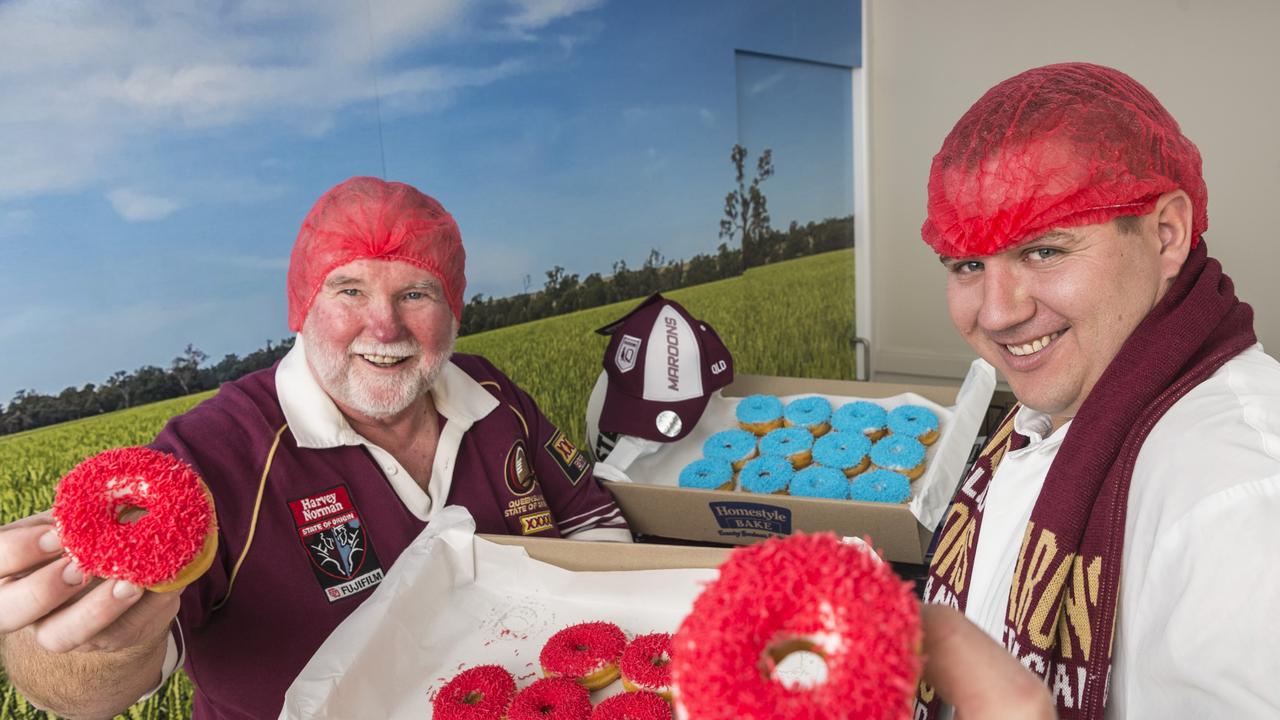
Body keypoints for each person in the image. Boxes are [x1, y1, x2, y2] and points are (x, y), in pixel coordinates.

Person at [0, 177, 632, 719]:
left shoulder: (493, 395)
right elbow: (94, 684)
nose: (384, 326)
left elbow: (593, 523)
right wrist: (79, 645)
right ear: (303, 304)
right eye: (349, 290)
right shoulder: (213, 456)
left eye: (416, 293)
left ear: (453, 308)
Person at [914, 63, 1280, 719]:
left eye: (1044, 252)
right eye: (968, 264)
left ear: (1165, 233)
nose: (996, 314)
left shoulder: (1241, 502)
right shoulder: (1063, 396)